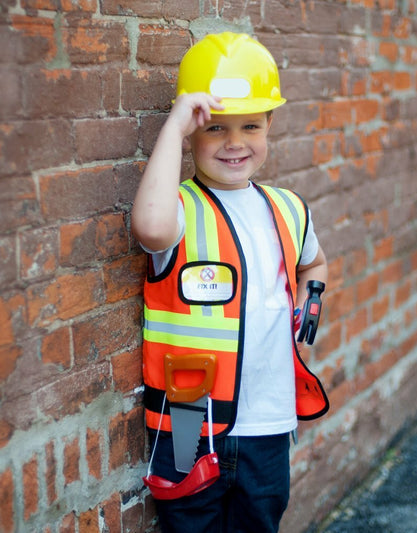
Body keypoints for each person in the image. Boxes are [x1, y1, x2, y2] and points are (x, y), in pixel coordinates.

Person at [131, 32, 329, 533]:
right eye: (215, 128)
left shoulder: (288, 208)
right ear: (193, 134)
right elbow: (148, 228)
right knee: (188, 523)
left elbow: (315, 264)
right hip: (189, 418)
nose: (235, 142)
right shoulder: (178, 209)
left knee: (260, 522)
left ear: (269, 127)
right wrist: (173, 128)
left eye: (250, 126)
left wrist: (311, 302)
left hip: (269, 419)